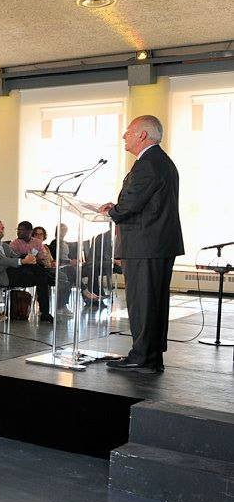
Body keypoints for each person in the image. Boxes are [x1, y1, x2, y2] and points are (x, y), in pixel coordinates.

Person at [99, 115, 183, 373]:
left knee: (143, 302)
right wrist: (119, 208)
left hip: (145, 244)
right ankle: (151, 357)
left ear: (142, 135)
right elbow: (146, 202)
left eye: (128, 131)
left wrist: (113, 211)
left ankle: (141, 357)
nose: (124, 136)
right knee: (154, 302)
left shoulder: (147, 163)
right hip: (157, 244)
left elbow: (132, 204)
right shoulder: (162, 162)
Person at [0, 220, 54, 323]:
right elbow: (3, 260)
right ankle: (50, 279)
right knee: (38, 273)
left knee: (39, 276)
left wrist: (28, 258)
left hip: (10, 273)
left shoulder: (4, 246)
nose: (0, 230)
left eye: (2, 228)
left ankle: (45, 312)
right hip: (0, 276)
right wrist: (24, 260)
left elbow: (15, 256)